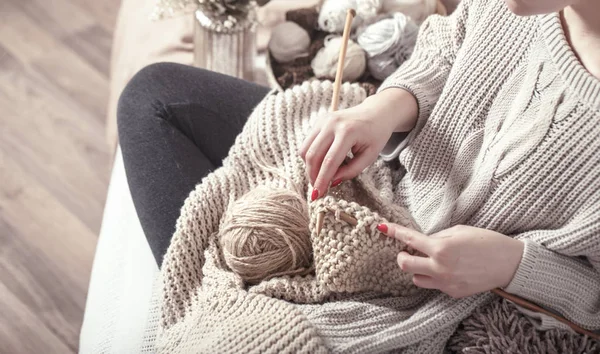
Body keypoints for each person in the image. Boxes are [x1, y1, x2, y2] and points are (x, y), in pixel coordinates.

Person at [118, 0, 600, 333]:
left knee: (245, 331)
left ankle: (232, 304)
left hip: (437, 285)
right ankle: (226, 293)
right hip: (382, 179)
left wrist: (513, 265)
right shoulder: (521, 8)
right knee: (155, 96)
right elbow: (448, 47)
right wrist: (385, 108)